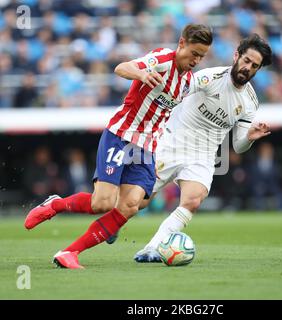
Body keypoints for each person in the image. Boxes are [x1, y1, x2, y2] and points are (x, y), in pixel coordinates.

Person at [24, 24, 213, 269]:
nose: (196, 60)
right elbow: (121, 67)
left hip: (145, 148)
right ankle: (55, 204)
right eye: (194, 53)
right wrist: (142, 74)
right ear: (181, 44)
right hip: (121, 135)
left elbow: (162, 118)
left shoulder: (186, 83)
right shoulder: (162, 60)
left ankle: (70, 253)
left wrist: (154, 155)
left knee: (131, 205)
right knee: (102, 202)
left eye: (202, 56)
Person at [134, 33, 273, 263]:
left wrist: (250, 137)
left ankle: (153, 247)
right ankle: (114, 221)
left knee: (193, 200)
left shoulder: (250, 102)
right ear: (236, 56)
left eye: (255, 66)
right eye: (247, 61)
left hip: (203, 155)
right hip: (173, 143)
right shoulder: (211, 77)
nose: (248, 68)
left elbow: (238, 146)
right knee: (138, 201)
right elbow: (178, 92)